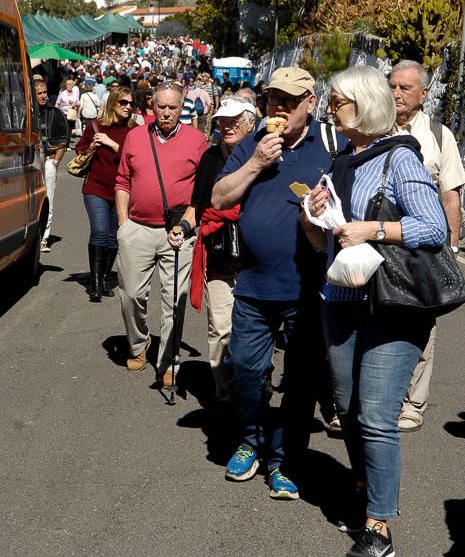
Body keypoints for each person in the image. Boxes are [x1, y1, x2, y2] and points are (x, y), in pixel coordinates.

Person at [302, 65, 447, 557]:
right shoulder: (342, 160)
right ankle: (366, 485)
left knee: (378, 417)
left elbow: (434, 228)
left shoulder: (400, 160)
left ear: (362, 105)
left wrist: (373, 230)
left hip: (393, 305)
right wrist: (315, 217)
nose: (328, 109)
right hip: (341, 301)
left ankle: (378, 526)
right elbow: (324, 242)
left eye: (337, 101)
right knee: (347, 409)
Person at [211, 67, 345, 500]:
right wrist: (256, 163)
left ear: (311, 102)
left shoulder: (331, 145)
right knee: (246, 372)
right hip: (252, 285)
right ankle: (250, 441)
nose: (280, 108)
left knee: (302, 381)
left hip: (307, 288)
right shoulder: (252, 144)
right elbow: (219, 197)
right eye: (273, 100)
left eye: (289, 100)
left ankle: (283, 460)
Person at [389, 59, 465, 432]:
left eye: (405, 88)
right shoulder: (374, 128)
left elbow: (450, 195)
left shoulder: (438, 135)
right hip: (381, 241)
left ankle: (413, 403)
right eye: (393, 86)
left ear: (422, 94)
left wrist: (451, 245)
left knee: (423, 323)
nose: (397, 94)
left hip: (424, 248)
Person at [115, 83, 208, 384]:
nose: (167, 113)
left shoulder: (197, 141)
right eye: (161, 107)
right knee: (131, 295)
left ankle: (169, 359)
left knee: (174, 300)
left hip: (177, 232)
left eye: (173, 107)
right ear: (151, 107)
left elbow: (202, 194)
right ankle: (139, 344)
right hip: (137, 229)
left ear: (182, 108)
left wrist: (188, 225)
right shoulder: (135, 137)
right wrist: (123, 226)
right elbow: (122, 182)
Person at [168, 97, 256, 403]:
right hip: (219, 253)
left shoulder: (266, 156)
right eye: (221, 120)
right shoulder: (210, 160)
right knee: (220, 327)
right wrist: (183, 227)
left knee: (252, 329)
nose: (226, 126)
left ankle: (253, 385)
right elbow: (197, 207)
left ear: (249, 123)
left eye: (233, 120)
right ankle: (225, 393)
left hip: (256, 256)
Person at [75, 87, 136, 302]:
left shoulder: (134, 131)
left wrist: (111, 144)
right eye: (123, 103)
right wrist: (91, 145)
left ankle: (103, 277)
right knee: (100, 232)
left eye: (130, 103)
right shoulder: (96, 125)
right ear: (113, 104)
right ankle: (95, 283)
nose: (128, 107)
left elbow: (136, 157)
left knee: (114, 238)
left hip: (122, 191)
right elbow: (79, 149)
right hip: (96, 189)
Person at [34, 77, 68, 253]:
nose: (43, 96)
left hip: (47, 161)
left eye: (45, 92)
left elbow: (63, 140)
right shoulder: (26, 113)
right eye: (39, 93)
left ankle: (44, 238)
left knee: (48, 200)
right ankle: (33, 236)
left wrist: (55, 162)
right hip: (31, 161)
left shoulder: (55, 114)